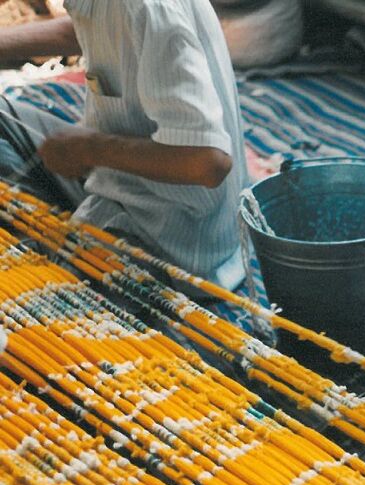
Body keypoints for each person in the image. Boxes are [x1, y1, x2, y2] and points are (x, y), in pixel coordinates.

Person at [0, 0, 249, 290]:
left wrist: (88, 148)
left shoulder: (141, 6)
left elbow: (208, 162)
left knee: (49, 300)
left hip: (173, 241)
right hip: (117, 181)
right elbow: (87, 28)